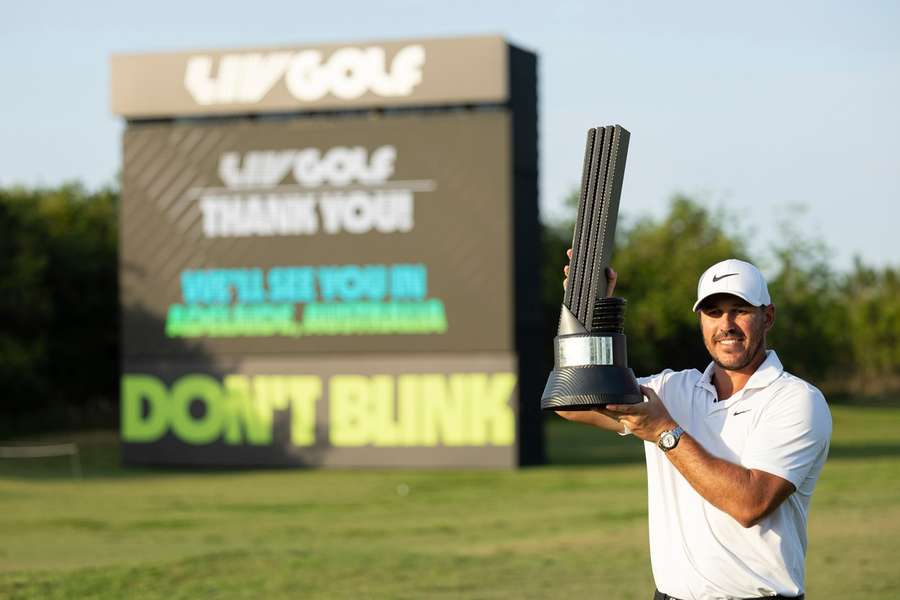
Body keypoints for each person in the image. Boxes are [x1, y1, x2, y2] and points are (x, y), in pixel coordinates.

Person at [558, 254, 832, 600]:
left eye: (741, 310)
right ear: (701, 321)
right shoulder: (672, 389)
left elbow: (750, 503)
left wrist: (663, 430)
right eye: (713, 312)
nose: (726, 324)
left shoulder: (796, 400)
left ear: (768, 316)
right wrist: (589, 314)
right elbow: (571, 401)